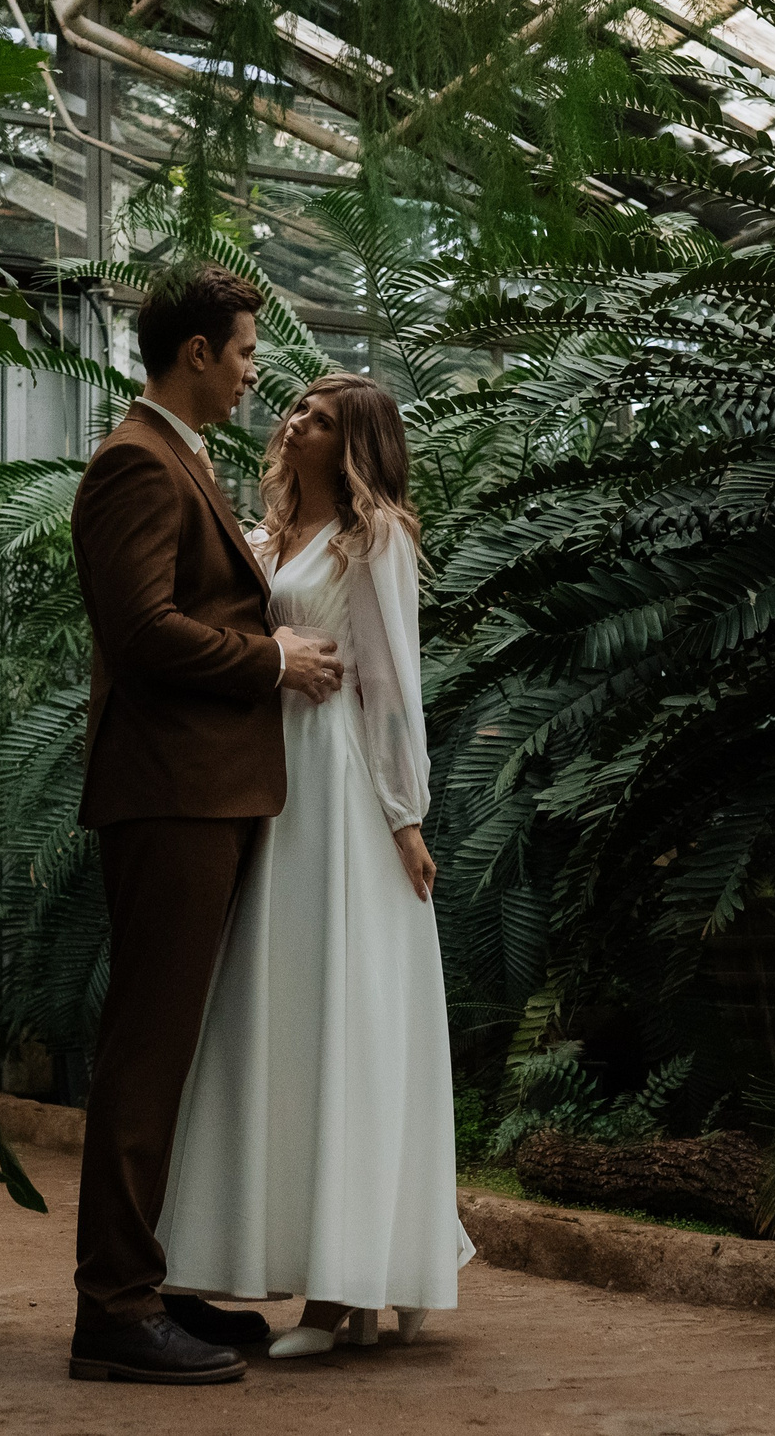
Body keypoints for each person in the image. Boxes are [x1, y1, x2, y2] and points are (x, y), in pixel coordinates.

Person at [65, 264, 346, 1386]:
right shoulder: (135, 463)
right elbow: (142, 633)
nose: (250, 369)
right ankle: (113, 1310)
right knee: (146, 1049)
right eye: (240, 351)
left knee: (179, 1049)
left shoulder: (178, 456)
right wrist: (272, 658)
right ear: (193, 352)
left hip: (208, 792)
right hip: (170, 793)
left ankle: (162, 1282)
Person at [155, 371, 474, 1356]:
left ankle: (346, 1298)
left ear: (353, 444)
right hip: (268, 788)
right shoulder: (262, 537)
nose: (293, 419)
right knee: (278, 1018)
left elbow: (389, 686)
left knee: (344, 1015)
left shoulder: (369, 541)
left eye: (320, 417)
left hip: (339, 792)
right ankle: (302, 1268)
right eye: (294, 406)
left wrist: (404, 815)